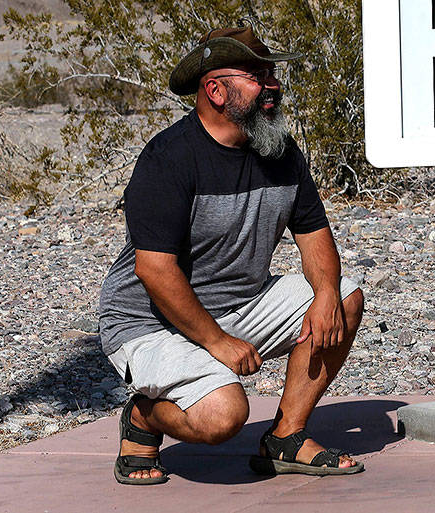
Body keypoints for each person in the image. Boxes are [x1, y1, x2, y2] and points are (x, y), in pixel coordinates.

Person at [98, 26, 366, 484]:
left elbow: (315, 234)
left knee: (343, 297)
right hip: (149, 323)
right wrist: (217, 342)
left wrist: (323, 292)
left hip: (238, 307)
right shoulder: (169, 158)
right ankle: (143, 417)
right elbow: (154, 270)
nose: (273, 85)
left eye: (272, 74)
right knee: (224, 416)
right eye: (257, 75)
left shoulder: (280, 151)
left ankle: (286, 436)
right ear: (216, 90)